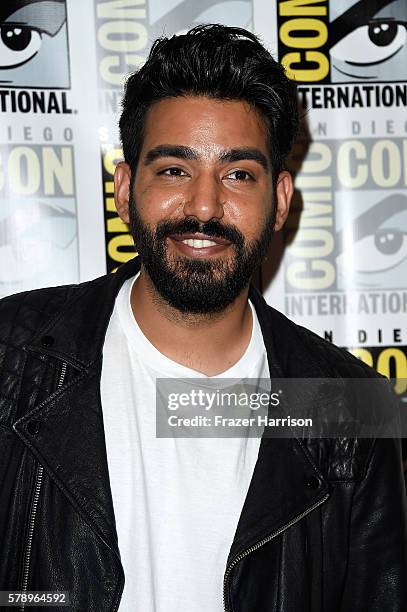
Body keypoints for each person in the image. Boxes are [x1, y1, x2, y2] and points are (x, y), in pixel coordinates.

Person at [0, 24, 406, 612]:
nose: (205, 206)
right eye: (173, 170)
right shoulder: (12, 360)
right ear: (123, 187)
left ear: (282, 200)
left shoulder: (348, 404)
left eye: (238, 174)